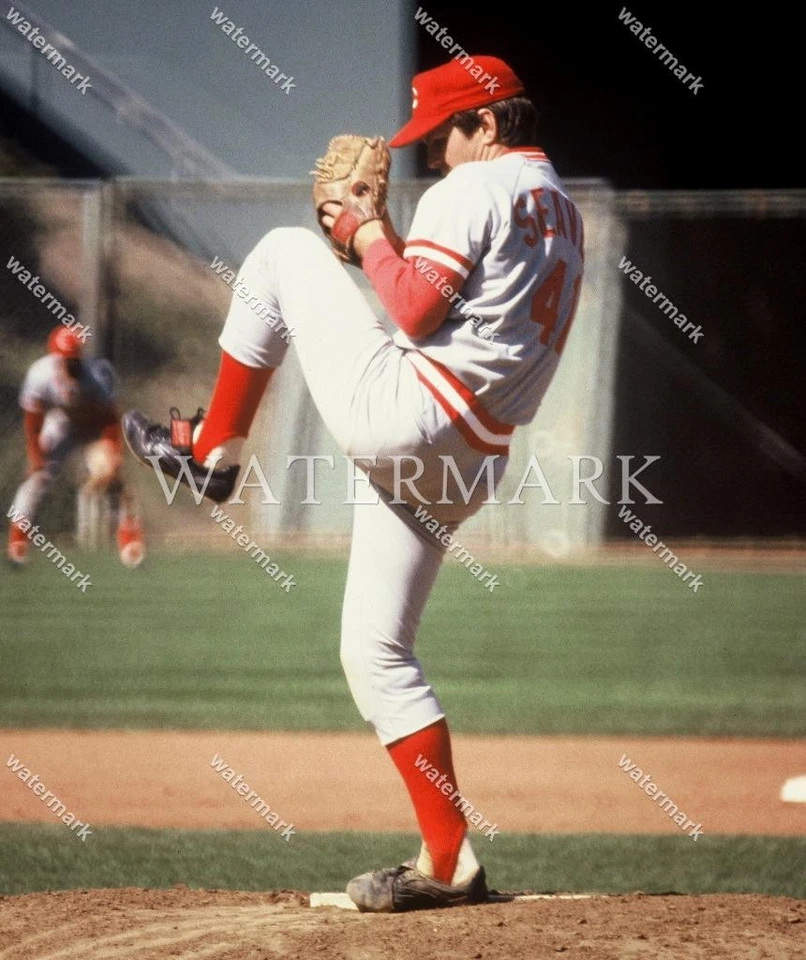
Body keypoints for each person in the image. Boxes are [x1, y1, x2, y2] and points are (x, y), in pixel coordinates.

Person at [123, 55, 584, 912]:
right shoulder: (562, 209)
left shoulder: (469, 191)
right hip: (473, 459)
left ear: (487, 125)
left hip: (411, 415)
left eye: (443, 136)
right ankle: (449, 863)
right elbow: (445, 305)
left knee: (276, 255)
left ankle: (212, 448)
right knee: (375, 652)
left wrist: (365, 232)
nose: (434, 156)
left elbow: (412, 311)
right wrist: (371, 245)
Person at [7, 326, 145, 569]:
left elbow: (111, 418)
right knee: (37, 478)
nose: (70, 364)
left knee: (115, 482)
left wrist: (113, 452)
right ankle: (18, 542)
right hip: (61, 424)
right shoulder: (40, 374)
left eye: (74, 358)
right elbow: (33, 420)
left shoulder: (99, 374)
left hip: (94, 428)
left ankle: (129, 542)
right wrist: (35, 455)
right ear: (54, 357)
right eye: (65, 359)